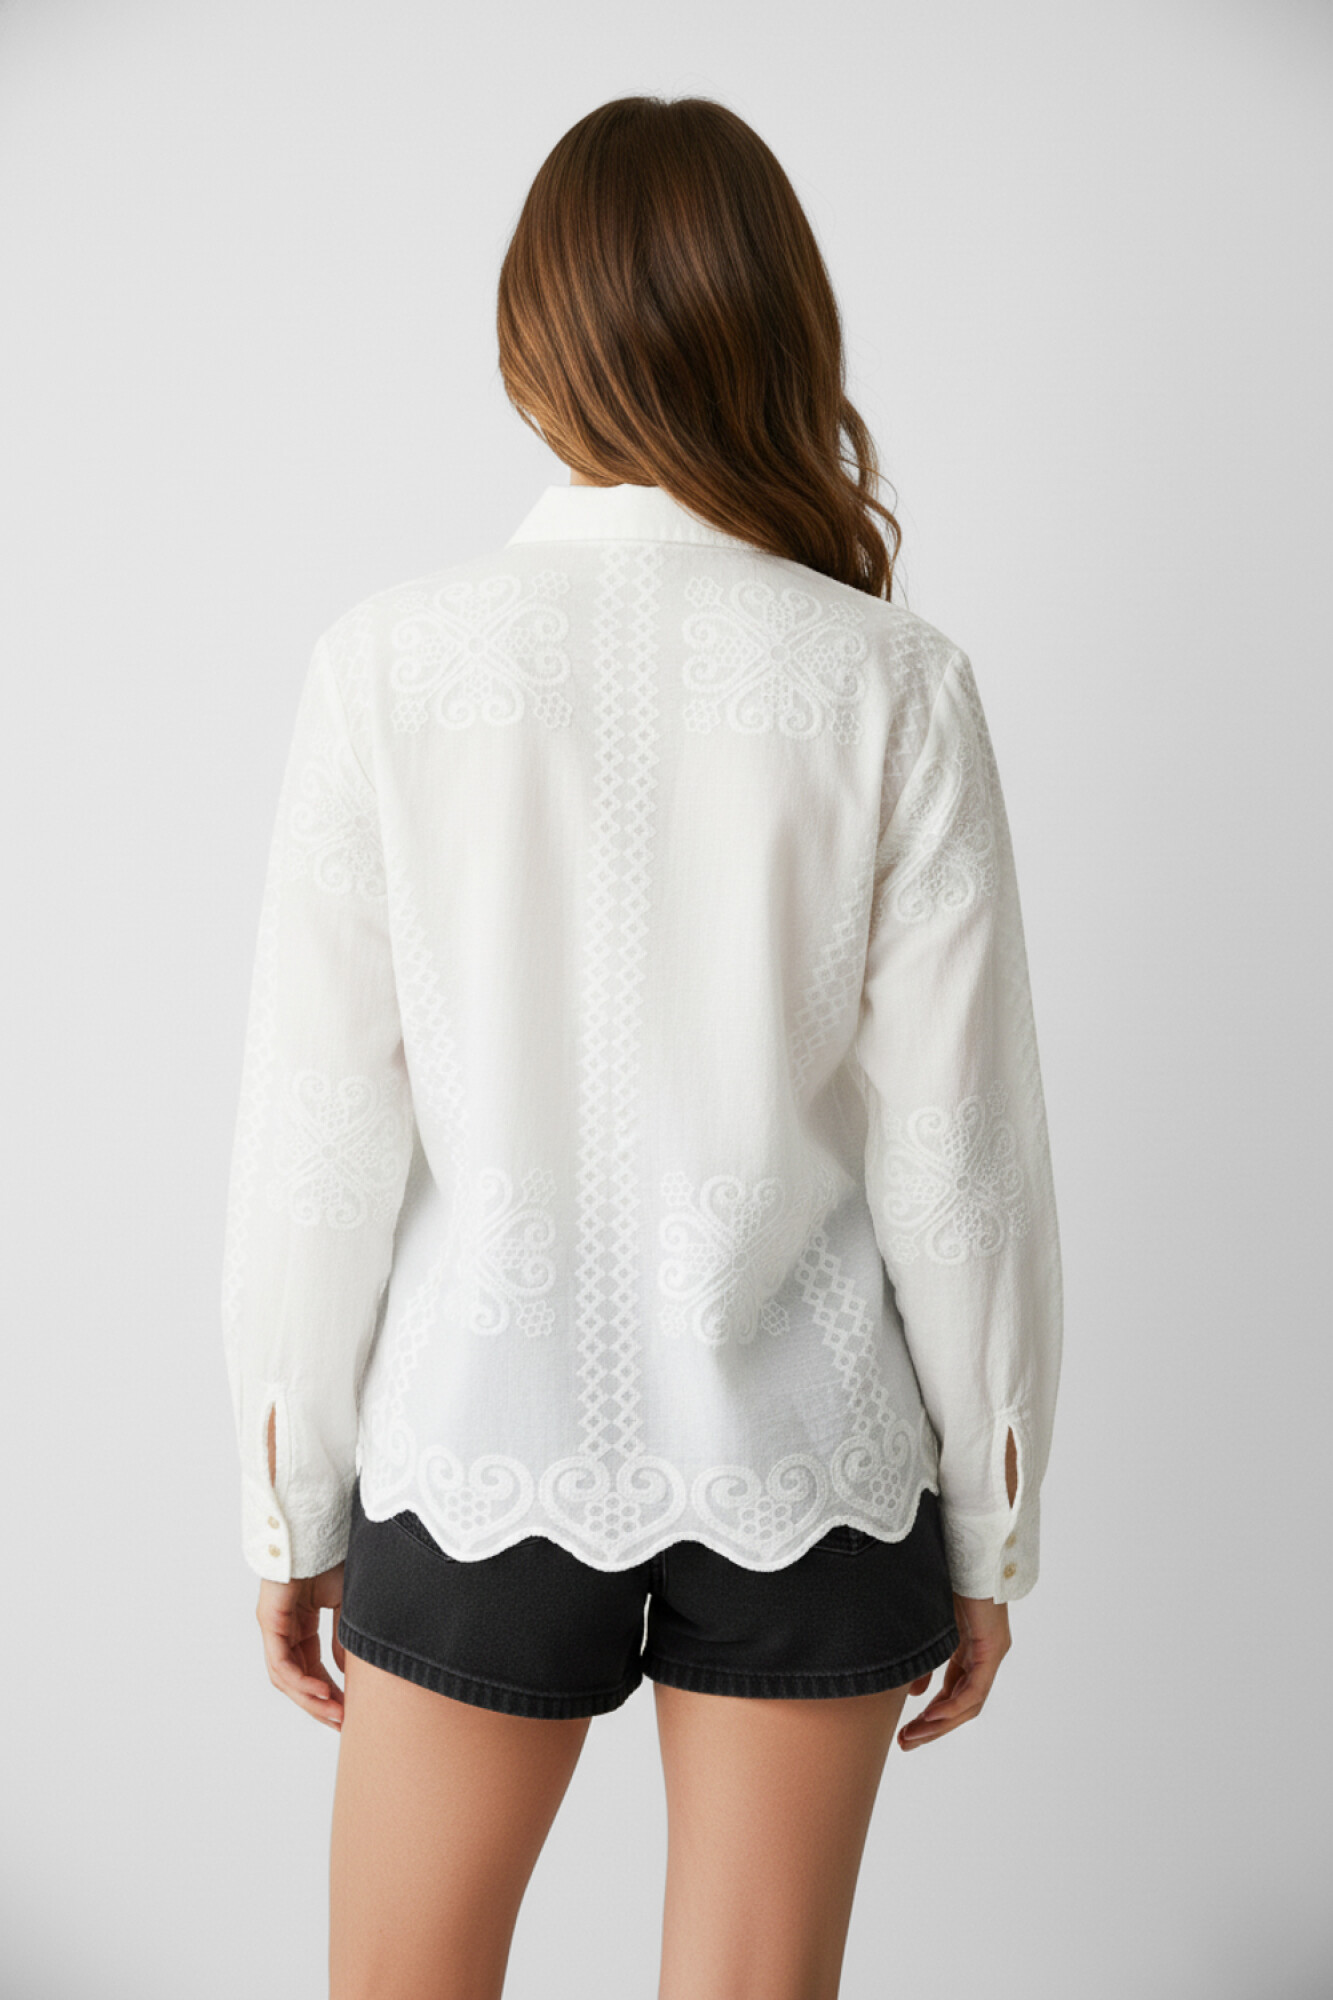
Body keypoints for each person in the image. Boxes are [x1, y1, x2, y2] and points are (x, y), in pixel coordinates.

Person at [221, 93, 1064, 2000]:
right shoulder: (891, 683)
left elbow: (317, 1134)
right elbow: (960, 1158)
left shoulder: (385, 664)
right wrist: (989, 1528)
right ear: (784, 332)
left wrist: (289, 1491)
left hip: (475, 1445)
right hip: (811, 1463)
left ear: (530, 337)